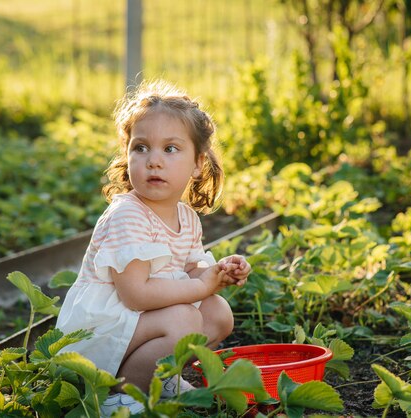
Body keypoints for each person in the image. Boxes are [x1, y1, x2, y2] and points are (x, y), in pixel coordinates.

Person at [56, 80, 250, 416]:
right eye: (141, 147)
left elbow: (192, 272)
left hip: (132, 328)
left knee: (217, 312)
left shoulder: (186, 218)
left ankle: (158, 378)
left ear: (197, 163)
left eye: (170, 149)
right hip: (93, 340)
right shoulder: (127, 214)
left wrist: (217, 273)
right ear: (127, 153)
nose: (153, 161)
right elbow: (135, 295)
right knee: (184, 319)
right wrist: (201, 285)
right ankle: (119, 396)